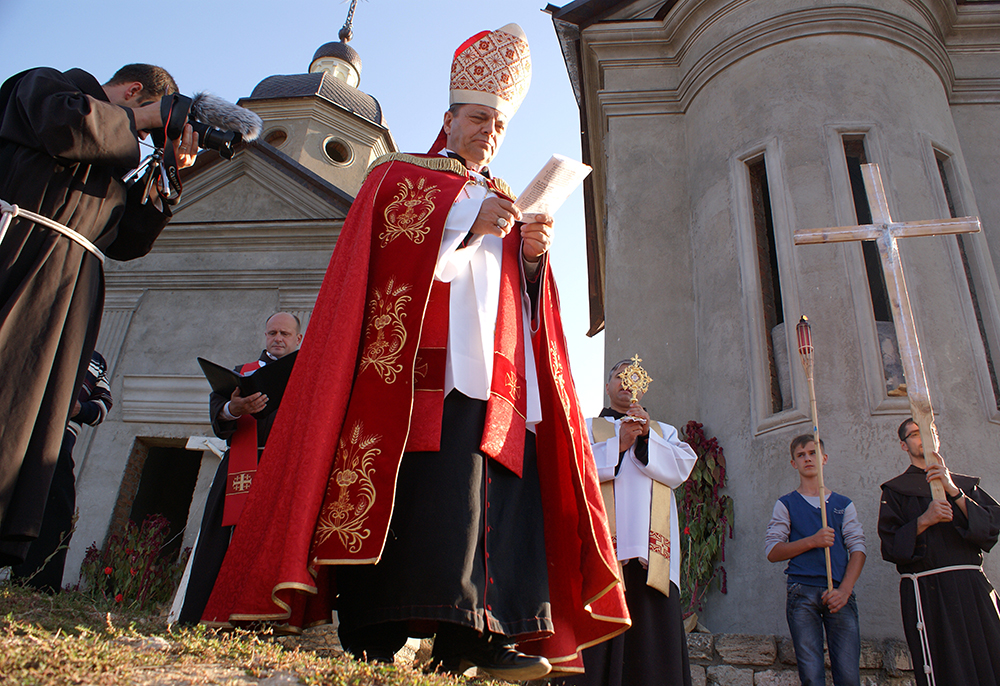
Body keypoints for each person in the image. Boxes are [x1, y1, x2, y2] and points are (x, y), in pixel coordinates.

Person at [201, 23, 628, 681]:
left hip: (494, 385)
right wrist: (463, 222)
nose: (489, 132)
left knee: (479, 511)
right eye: (478, 118)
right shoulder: (400, 175)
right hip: (405, 382)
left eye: (498, 126)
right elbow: (385, 259)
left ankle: (475, 642)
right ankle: (377, 632)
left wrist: (533, 256)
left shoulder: (503, 197)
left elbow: (521, 299)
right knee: (414, 505)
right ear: (449, 119)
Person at [0, 63, 198, 565]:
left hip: (73, 285)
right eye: (143, 117)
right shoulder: (49, 85)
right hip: (22, 253)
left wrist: (169, 170)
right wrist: (152, 117)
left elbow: (127, 241)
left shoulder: (112, 162)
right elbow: (66, 129)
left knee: (29, 410)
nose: (144, 133)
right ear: (134, 91)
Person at [557, 358, 698, 686]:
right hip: (604, 550)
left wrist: (648, 437)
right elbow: (572, 465)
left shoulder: (664, 432)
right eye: (618, 376)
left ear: (643, 383)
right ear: (607, 387)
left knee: (651, 640)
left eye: (631, 375)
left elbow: (682, 466)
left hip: (652, 555)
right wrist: (616, 447)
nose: (625, 381)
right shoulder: (590, 427)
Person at [172, 312, 303, 625]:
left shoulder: (307, 375)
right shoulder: (241, 373)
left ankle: (265, 619)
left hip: (286, 469)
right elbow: (219, 411)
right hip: (241, 467)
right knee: (221, 538)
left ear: (298, 339)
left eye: (285, 333)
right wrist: (236, 408)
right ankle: (206, 616)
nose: (278, 339)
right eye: (272, 333)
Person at [878, 418, 1000, 686]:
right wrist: (924, 520)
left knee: (992, 658)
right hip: (930, 592)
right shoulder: (896, 492)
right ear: (903, 444)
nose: (924, 437)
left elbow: (990, 530)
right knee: (948, 667)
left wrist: (954, 492)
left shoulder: (964, 486)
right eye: (915, 434)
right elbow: (890, 547)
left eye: (930, 432)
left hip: (973, 589)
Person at [765, 435, 866, 686]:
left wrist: (845, 590)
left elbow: (859, 550)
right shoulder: (786, 504)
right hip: (802, 591)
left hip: (839, 592)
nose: (807, 458)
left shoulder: (844, 504)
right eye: (801, 455)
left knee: (850, 676)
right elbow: (773, 551)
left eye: (812, 453)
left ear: (824, 458)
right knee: (811, 676)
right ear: (793, 463)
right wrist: (812, 541)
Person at [10, 351, 112, 592]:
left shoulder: (96, 360)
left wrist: (78, 409)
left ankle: (36, 586)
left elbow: (103, 405)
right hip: (18, 436)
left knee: (56, 515)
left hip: (58, 449)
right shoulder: (47, 333)